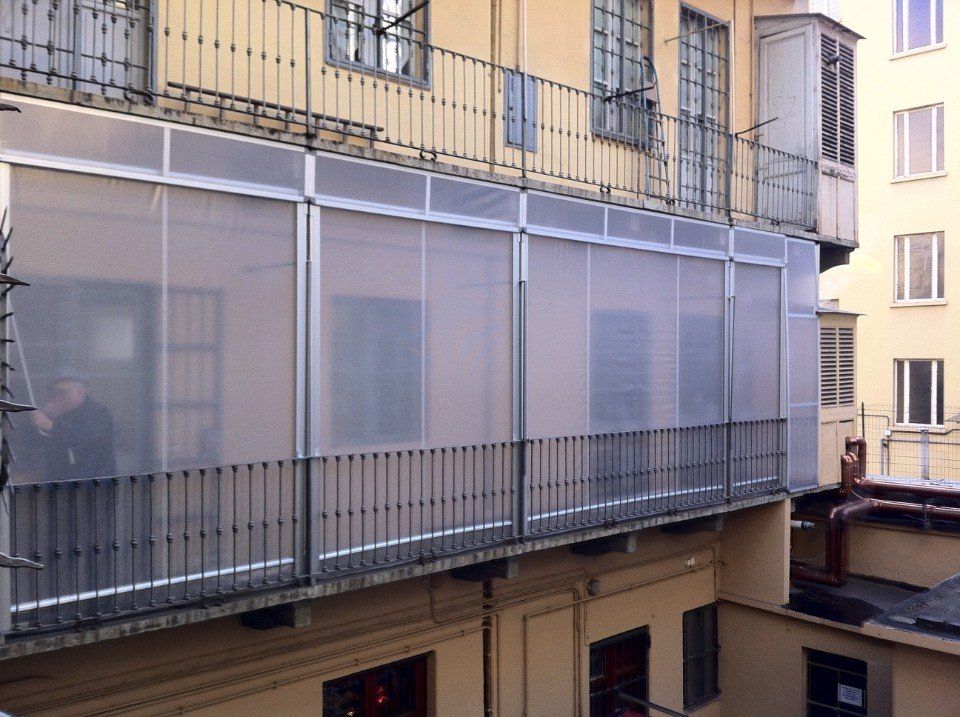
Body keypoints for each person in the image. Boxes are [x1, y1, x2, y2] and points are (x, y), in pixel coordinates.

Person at [29, 377, 116, 481]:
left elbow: (83, 439)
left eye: (63, 393)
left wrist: (51, 425)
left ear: (80, 392)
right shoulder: (60, 414)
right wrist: (47, 418)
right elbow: (34, 444)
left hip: (94, 481)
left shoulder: (98, 412)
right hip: (61, 481)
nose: (57, 397)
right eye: (54, 393)